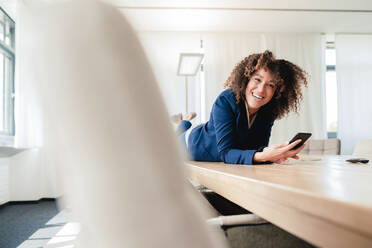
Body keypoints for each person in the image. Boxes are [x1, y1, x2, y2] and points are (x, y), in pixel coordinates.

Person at [176, 50, 308, 165]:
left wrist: (277, 153)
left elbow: (256, 149)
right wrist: (264, 155)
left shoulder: (268, 110)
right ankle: (184, 121)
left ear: (277, 91)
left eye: (271, 85)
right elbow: (226, 153)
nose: (261, 90)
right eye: (257, 79)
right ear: (246, 79)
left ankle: (186, 120)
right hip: (191, 144)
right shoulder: (225, 99)